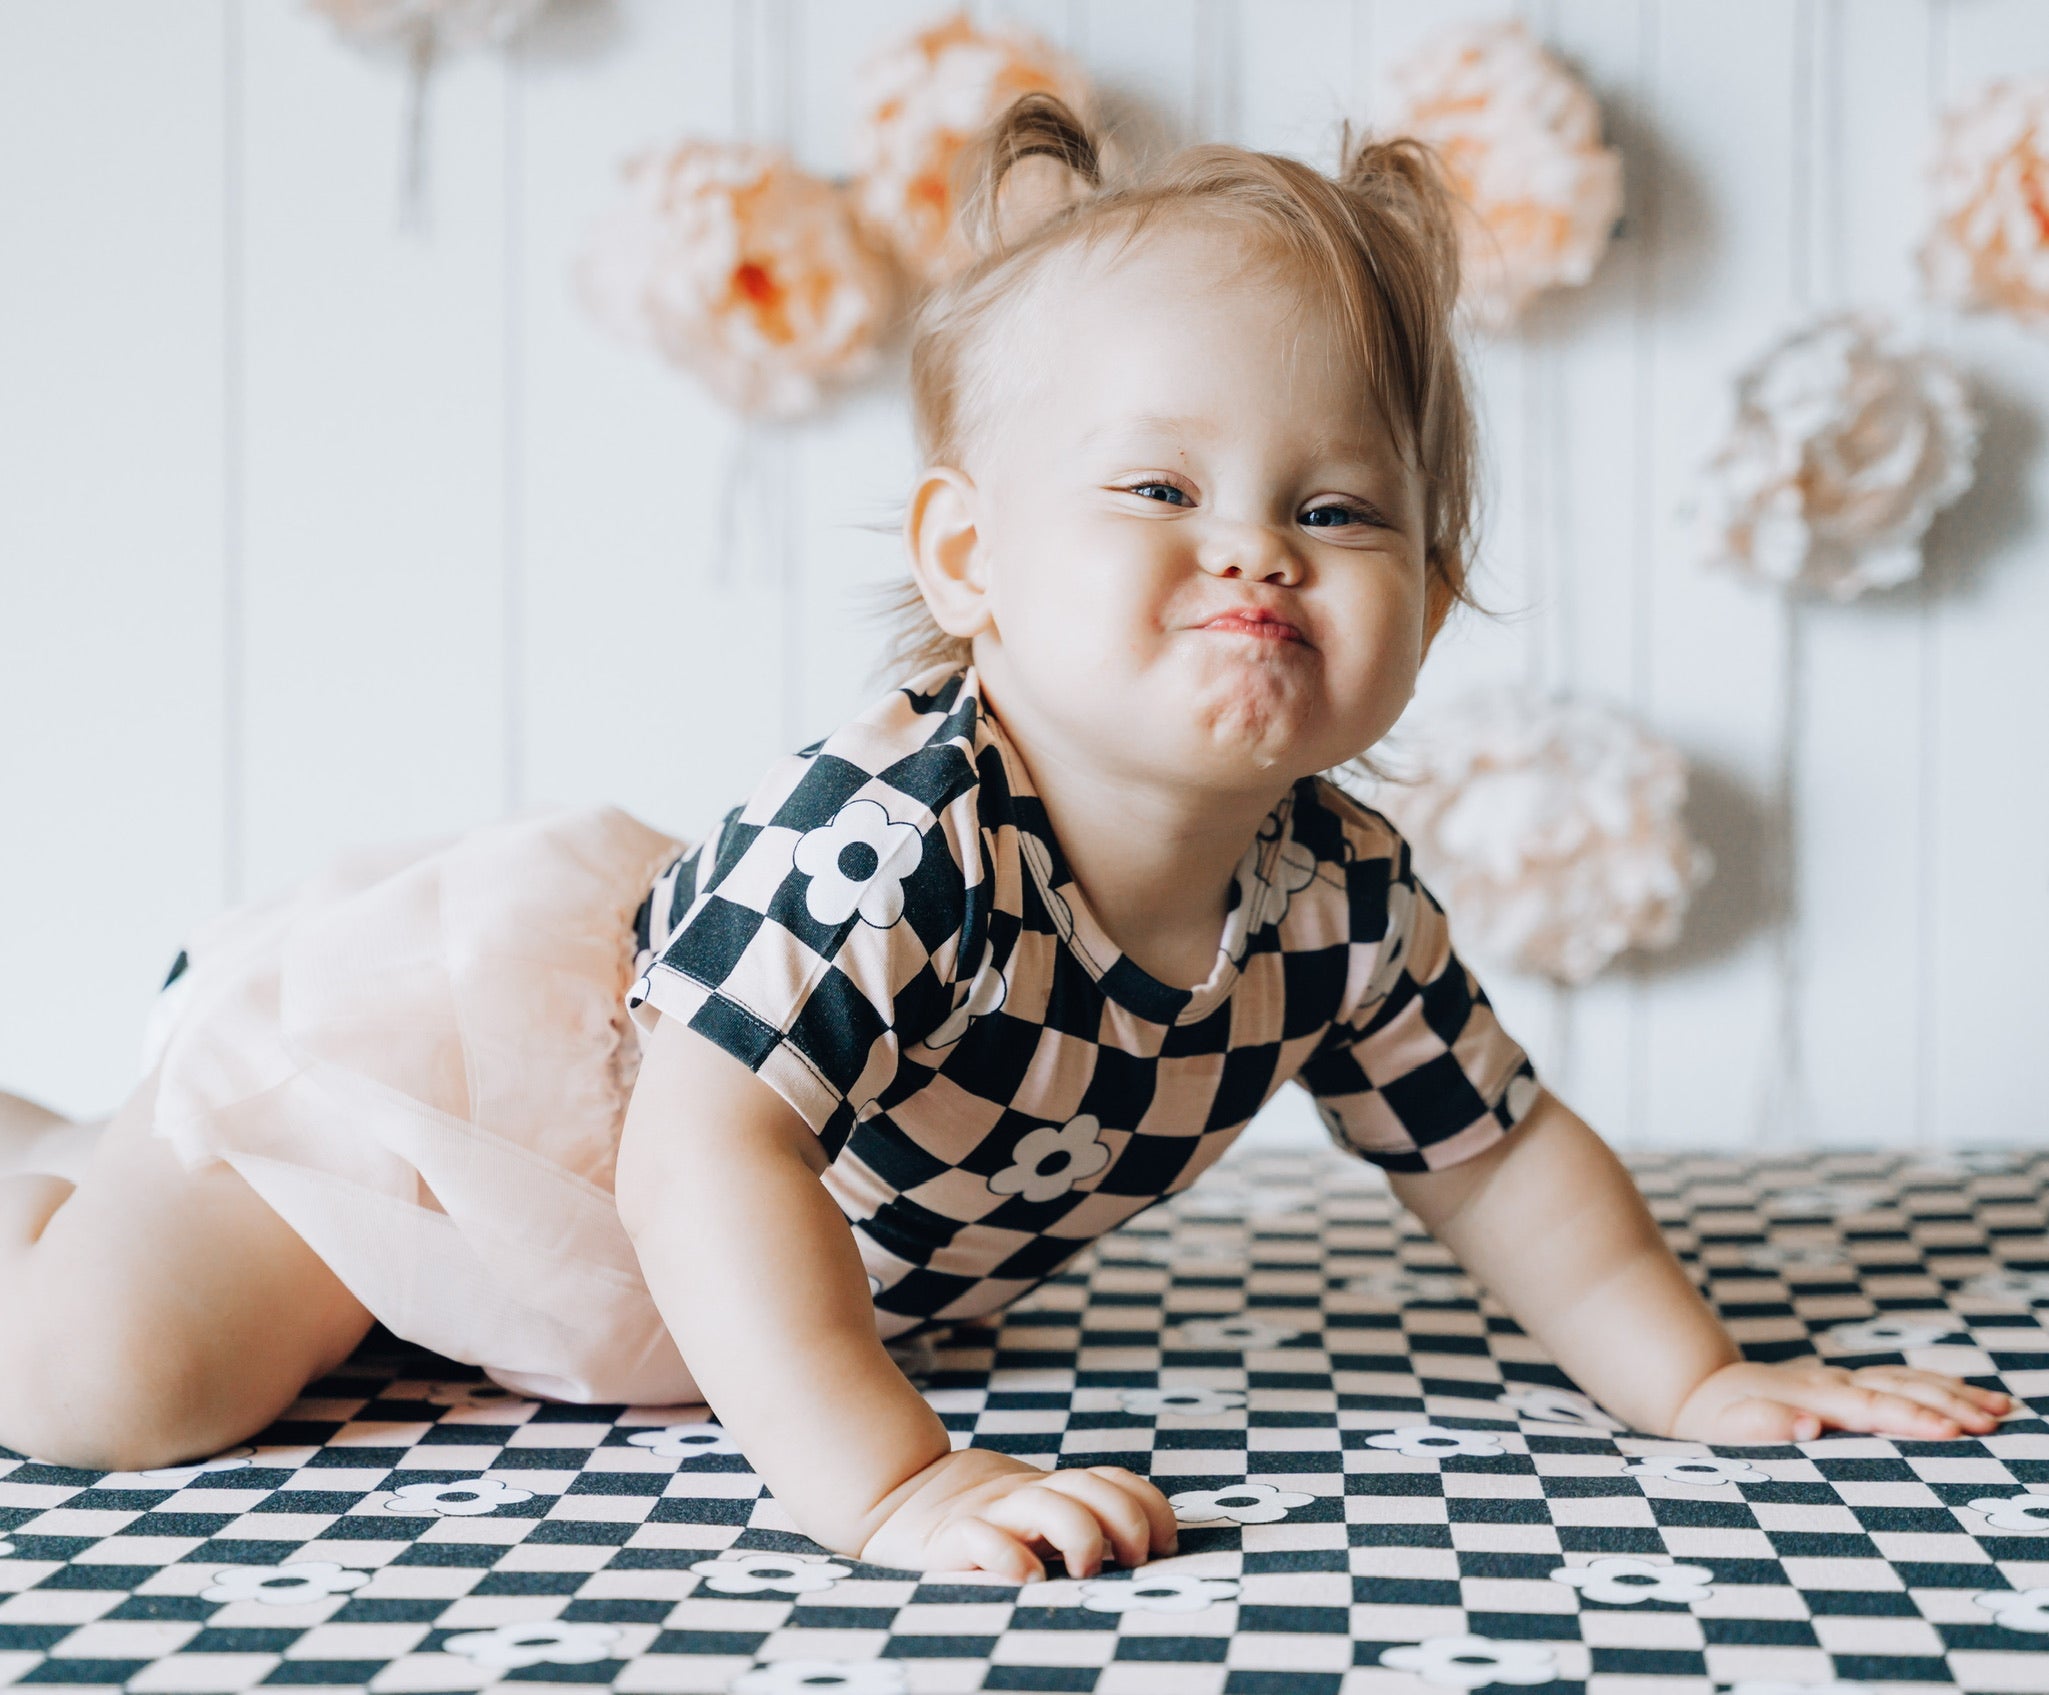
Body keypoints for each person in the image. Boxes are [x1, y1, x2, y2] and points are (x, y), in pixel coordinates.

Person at [0, 93, 2008, 1585]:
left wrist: (1690, 1382)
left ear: (1434, 584)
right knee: (110, 1385)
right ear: (967, 558)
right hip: (512, 1128)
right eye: (1158, 488)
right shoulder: (893, 838)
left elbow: (1493, 1155)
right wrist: (887, 1480)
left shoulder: (1333, 901)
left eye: (1336, 509)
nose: (1255, 550)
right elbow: (702, 1149)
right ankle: (72, 1154)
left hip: (722, 1278)